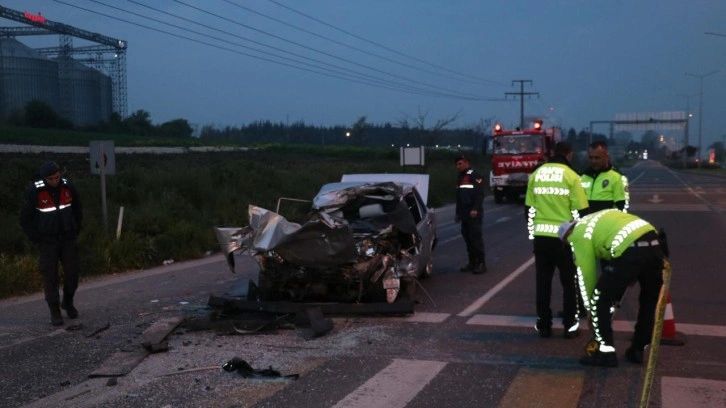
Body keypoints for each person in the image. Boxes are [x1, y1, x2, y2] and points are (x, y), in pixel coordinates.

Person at [558, 209, 665, 367]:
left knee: (598, 301)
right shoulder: (596, 219)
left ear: (567, 236)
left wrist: (590, 310)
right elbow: (612, 256)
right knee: (648, 301)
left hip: (630, 249)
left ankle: (605, 353)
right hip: (655, 244)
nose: (570, 246)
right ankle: (638, 349)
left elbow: (586, 274)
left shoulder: (578, 235)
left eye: (567, 244)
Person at [524, 141, 589, 338]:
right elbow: (582, 211)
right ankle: (570, 326)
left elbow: (529, 209)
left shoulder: (537, 174)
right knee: (569, 284)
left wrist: (533, 231)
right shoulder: (572, 176)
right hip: (565, 239)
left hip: (541, 238)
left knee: (543, 283)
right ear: (569, 154)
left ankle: (544, 325)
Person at [20, 161, 83, 326]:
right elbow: (25, 219)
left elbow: (78, 209)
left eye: (57, 177)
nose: (55, 181)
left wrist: (76, 230)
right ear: (45, 178)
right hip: (48, 241)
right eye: (51, 179)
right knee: (50, 276)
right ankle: (55, 312)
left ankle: (68, 302)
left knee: (72, 273)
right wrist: (37, 238)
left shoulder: (68, 187)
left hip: (68, 238)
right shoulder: (35, 191)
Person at [454, 154, 487, 274]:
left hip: (473, 212)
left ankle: (481, 263)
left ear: (467, 163)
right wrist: (457, 213)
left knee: (475, 238)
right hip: (464, 213)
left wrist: (476, 209)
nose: (458, 166)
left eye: (460, 163)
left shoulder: (475, 175)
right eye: (457, 164)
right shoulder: (460, 177)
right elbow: (458, 197)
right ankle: (472, 262)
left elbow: (479, 194)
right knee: (467, 238)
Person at [580, 141, 629, 212]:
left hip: (607, 222)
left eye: (597, 158)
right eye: (591, 158)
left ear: (606, 157)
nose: (593, 161)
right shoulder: (582, 177)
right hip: (586, 222)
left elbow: (622, 207)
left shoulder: (617, 178)